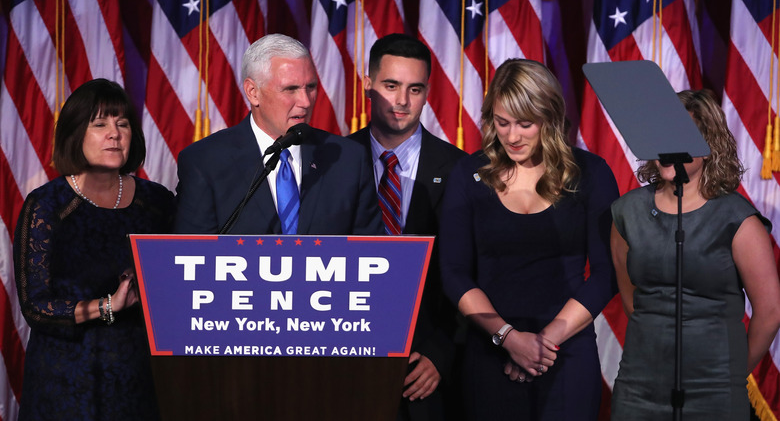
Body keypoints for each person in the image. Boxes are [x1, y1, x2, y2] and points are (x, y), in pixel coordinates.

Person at [438, 58, 619, 420]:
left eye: (525, 124)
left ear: (549, 119)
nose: (512, 136)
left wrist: (541, 345)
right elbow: (454, 273)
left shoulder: (591, 174)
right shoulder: (467, 175)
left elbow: (605, 273)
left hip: (566, 351)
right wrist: (508, 338)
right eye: (502, 123)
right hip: (490, 352)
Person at [610, 89, 780, 420]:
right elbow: (633, 301)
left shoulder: (737, 218)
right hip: (638, 387)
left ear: (709, 144)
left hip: (713, 391)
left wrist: (729, 374)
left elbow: (770, 311)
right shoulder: (626, 213)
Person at [13, 78, 175, 420]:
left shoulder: (158, 201)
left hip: (140, 374)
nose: (114, 133)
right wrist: (108, 306)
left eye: (123, 123)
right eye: (100, 124)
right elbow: (35, 307)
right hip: (65, 377)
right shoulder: (47, 205)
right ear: (75, 135)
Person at [348, 33, 466, 421]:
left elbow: (473, 271)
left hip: (425, 368)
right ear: (368, 84)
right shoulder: (329, 163)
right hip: (345, 361)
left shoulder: (463, 171)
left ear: (428, 91)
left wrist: (441, 353)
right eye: (390, 86)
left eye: (414, 89)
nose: (401, 101)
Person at [174, 33, 383, 235]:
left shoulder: (348, 159)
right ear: (253, 92)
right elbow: (192, 258)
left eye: (311, 87)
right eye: (290, 89)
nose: (306, 102)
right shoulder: (205, 162)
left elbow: (369, 254)